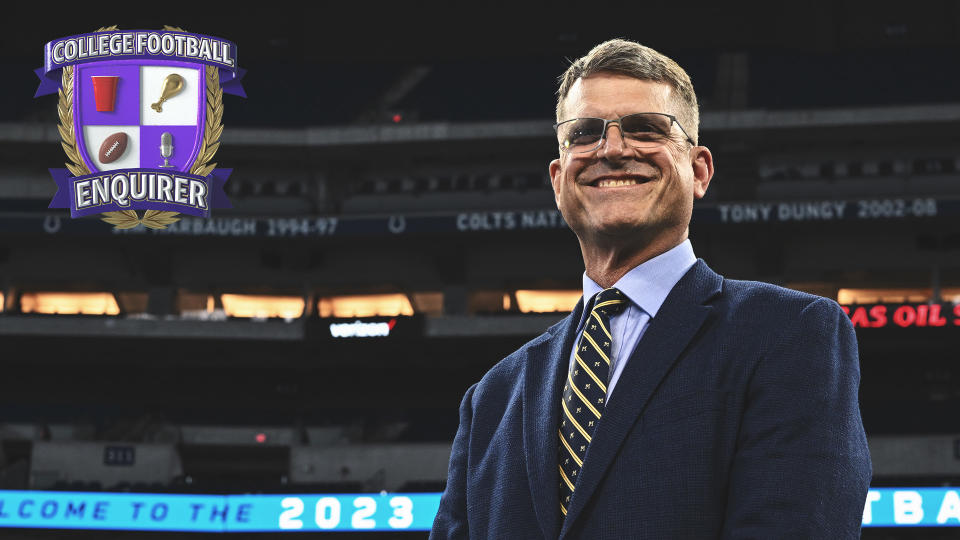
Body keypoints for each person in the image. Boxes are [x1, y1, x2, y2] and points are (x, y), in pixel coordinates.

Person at [431, 38, 872, 539]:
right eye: (585, 133)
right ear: (558, 180)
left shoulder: (790, 335)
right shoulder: (492, 396)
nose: (613, 149)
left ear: (699, 169)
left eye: (646, 129)